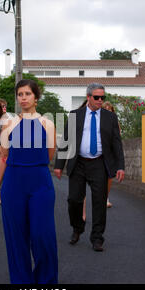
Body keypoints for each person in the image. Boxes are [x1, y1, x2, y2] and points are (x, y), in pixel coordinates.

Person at [0, 79, 58, 284]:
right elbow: (3, 158)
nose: (23, 98)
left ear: (36, 97)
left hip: (40, 183)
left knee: (42, 236)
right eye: (20, 94)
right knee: (16, 239)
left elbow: (49, 155)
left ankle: (46, 283)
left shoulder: (48, 123)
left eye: (27, 93)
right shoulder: (9, 124)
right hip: (13, 184)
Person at [54, 83, 125, 252]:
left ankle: (97, 238)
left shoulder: (110, 117)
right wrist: (58, 165)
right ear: (88, 97)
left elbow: (117, 143)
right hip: (78, 163)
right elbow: (65, 141)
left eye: (103, 97)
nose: (100, 100)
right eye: (96, 97)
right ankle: (77, 227)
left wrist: (120, 166)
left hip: (100, 163)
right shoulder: (75, 115)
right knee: (74, 200)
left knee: (100, 202)